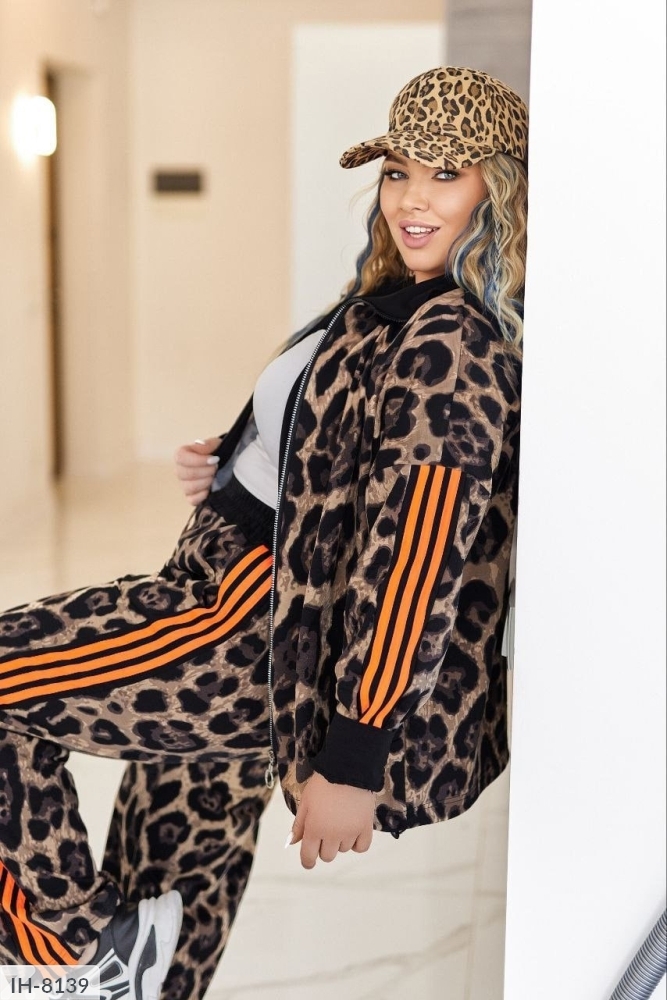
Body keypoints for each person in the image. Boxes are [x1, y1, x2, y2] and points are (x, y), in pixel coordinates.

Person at [0, 65, 527, 1000]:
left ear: (501, 187)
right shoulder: (392, 301)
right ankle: (129, 968)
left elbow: (414, 557)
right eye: (398, 172)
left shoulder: (452, 341)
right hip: (234, 578)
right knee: (178, 864)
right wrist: (240, 459)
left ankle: (74, 953)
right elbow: (340, 450)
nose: (411, 200)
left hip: (258, 621)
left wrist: (356, 755)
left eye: (445, 175)